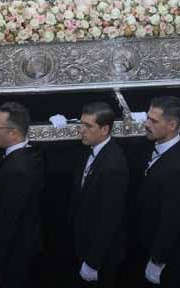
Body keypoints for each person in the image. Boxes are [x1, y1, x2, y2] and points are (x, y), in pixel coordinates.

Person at [0, 101, 42, 287]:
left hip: (12, 255)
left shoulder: (19, 169)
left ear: (13, 133)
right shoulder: (24, 156)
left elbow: (8, 220)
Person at [136, 95, 180, 286]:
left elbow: (172, 219)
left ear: (172, 125)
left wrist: (157, 260)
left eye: (153, 121)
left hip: (172, 255)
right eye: (148, 117)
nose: (146, 124)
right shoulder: (155, 146)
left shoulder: (179, 167)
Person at [70, 101, 128, 287]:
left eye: (88, 126)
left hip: (103, 256)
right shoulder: (89, 151)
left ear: (104, 129)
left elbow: (110, 218)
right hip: (84, 245)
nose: (81, 130)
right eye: (81, 124)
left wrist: (93, 262)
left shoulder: (114, 165)